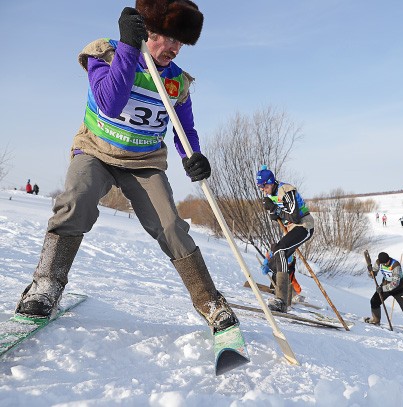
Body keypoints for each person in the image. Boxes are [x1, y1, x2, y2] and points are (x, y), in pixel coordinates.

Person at [15, 1, 239, 335]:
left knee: (171, 226)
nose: (176, 49)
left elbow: (183, 130)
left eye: (182, 42)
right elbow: (110, 101)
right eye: (171, 38)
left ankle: (211, 304)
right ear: (149, 30)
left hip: (144, 163)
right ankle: (46, 285)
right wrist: (129, 50)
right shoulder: (104, 54)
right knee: (77, 199)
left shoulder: (177, 83)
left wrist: (193, 155)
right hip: (96, 150)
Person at [257, 165, 314, 312]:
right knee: (277, 254)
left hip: (303, 225)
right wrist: (271, 209)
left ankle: (281, 300)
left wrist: (275, 209)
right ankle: (286, 296)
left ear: (271, 182)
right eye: (260, 187)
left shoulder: (286, 190)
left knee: (281, 250)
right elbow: (277, 217)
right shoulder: (271, 195)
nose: (263, 189)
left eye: (264, 185)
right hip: (291, 229)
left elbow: (294, 216)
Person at [364, 252, 403, 340]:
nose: (385, 265)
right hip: (386, 285)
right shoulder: (379, 262)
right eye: (383, 264)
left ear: (389, 260)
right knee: (374, 301)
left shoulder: (395, 265)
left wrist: (382, 289)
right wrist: (370, 271)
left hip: (399, 289)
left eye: (386, 263)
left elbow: (395, 283)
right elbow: (373, 275)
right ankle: (375, 320)